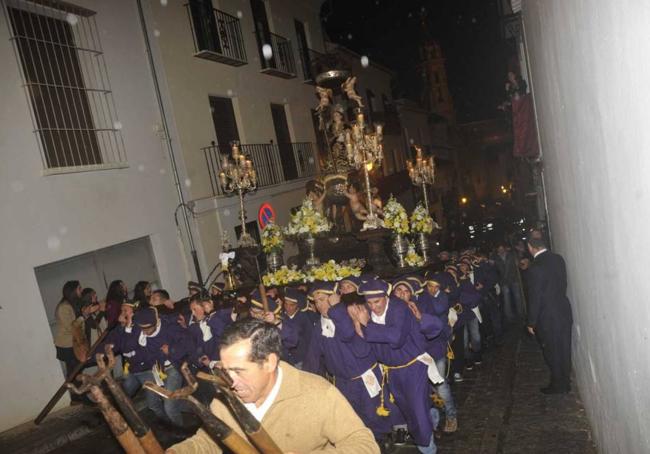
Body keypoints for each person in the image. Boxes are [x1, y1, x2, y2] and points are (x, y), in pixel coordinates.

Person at [168, 318, 380, 454]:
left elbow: (365, 445)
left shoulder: (317, 393)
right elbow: (207, 442)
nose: (230, 381)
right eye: (225, 370)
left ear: (269, 362)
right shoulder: (224, 400)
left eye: (239, 371)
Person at [526, 237, 573, 394]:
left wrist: (531, 322)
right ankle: (564, 381)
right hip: (563, 309)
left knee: (551, 351)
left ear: (530, 247)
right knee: (564, 348)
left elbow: (535, 298)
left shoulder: (535, 267)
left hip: (547, 315)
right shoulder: (558, 259)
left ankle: (558, 384)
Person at [53, 280, 84, 404]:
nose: (81, 291)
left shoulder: (70, 304)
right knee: (74, 371)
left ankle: (78, 395)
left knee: (75, 370)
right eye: (79, 288)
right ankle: (77, 396)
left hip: (72, 343)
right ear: (73, 291)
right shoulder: (64, 307)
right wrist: (83, 317)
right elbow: (70, 326)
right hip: (67, 345)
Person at [492, 244, 524, 323]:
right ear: (497, 250)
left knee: (518, 297)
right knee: (507, 300)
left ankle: (521, 313)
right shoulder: (495, 258)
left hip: (514, 279)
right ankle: (509, 317)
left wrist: (519, 255)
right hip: (503, 281)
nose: (501, 250)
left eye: (502, 248)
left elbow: (519, 262)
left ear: (505, 248)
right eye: (499, 249)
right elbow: (495, 270)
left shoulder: (511, 255)